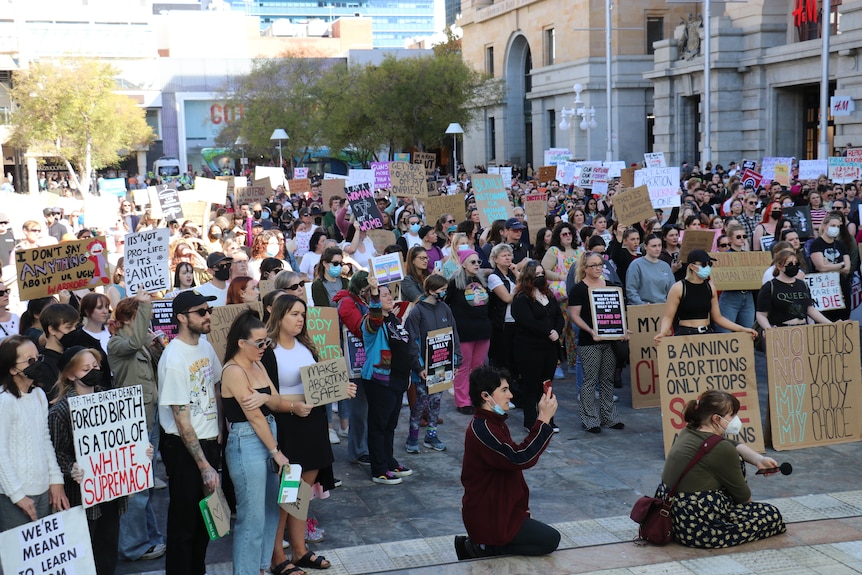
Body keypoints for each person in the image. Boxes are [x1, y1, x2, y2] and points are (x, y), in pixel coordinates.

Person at [262, 295, 354, 574]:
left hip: (312, 423)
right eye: (293, 314)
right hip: (287, 424)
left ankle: (299, 549)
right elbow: (265, 395)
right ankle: (277, 555)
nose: (300, 319)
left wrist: (341, 389)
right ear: (278, 316)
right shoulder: (268, 351)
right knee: (286, 492)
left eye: (302, 314)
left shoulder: (306, 345)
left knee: (301, 492)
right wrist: (293, 407)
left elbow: (317, 383)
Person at [455, 365, 559, 560]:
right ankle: (479, 548)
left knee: (545, 539)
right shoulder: (482, 428)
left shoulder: (493, 422)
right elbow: (520, 457)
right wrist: (543, 419)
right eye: (504, 390)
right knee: (550, 540)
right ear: (486, 396)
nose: (510, 395)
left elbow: (511, 468)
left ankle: (485, 545)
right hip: (488, 517)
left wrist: (522, 511)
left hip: (501, 511)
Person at [659, 390, 786, 548]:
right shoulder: (721, 449)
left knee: (734, 456)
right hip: (697, 527)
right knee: (770, 515)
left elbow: (728, 444)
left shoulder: (689, 431)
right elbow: (743, 496)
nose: (736, 420)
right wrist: (749, 512)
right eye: (732, 415)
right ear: (716, 419)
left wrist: (758, 460)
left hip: (672, 517)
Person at [48, 346, 131, 575]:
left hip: (112, 491)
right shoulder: (61, 411)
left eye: (96, 366)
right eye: (86, 368)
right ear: (70, 374)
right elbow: (56, 453)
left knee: (108, 550)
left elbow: (124, 438)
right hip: (83, 495)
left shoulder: (111, 399)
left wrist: (139, 451)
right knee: (85, 553)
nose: (94, 371)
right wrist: (70, 467)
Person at [221, 311, 291, 575]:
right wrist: (276, 452)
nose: (264, 348)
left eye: (266, 342)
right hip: (247, 442)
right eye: (259, 343)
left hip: (266, 436)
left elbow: (274, 400)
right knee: (252, 516)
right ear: (242, 343)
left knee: (272, 508)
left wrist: (264, 400)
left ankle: (261, 567)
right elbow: (255, 417)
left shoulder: (258, 364)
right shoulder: (233, 371)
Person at [158, 290, 222, 575]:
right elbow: (181, 420)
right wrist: (204, 466)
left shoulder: (205, 345)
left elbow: (217, 385)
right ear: (182, 318)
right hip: (185, 449)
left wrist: (222, 428)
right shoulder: (173, 358)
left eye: (208, 310)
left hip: (209, 442)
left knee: (204, 521)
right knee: (184, 524)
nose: (208, 315)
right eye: (201, 312)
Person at [109, 293, 167, 561]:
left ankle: (150, 538)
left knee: (144, 484)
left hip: (150, 415)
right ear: (127, 319)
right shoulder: (117, 343)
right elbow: (132, 343)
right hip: (133, 420)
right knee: (136, 487)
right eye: (139, 316)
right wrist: (145, 305)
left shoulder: (139, 342)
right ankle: (133, 546)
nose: (144, 321)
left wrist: (157, 345)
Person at [0, 335, 69, 531]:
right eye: (30, 360)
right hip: (14, 495)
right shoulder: (5, 401)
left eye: (38, 358)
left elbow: (45, 440)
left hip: (43, 490)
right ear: (13, 369)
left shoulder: (39, 395)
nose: (37, 363)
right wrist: (18, 495)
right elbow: (1, 452)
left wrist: (56, 480)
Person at [361, 276, 422, 484]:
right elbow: (376, 315)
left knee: (390, 424)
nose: (388, 297)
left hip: (397, 379)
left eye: (388, 294)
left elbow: (407, 345)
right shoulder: (372, 322)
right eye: (383, 295)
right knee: (379, 425)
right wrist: (375, 293)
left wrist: (418, 368)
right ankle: (378, 469)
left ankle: (389, 461)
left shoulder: (394, 320)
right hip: (379, 380)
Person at [568, 252, 627, 433]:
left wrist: (623, 329)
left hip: (611, 340)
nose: (598, 268)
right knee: (590, 380)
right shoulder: (578, 289)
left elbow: (618, 313)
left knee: (607, 379)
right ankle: (590, 419)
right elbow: (574, 315)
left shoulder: (611, 286)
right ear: (585, 268)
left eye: (600, 264)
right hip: (589, 341)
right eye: (594, 265)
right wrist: (590, 331)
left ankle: (609, 417)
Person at [404, 274, 460, 453]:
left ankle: (431, 435)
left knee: (436, 402)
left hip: (441, 364)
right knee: (420, 403)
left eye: (445, 289)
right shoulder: (417, 311)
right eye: (441, 290)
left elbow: (454, 334)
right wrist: (418, 367)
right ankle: (412, 437)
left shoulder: (445, 308)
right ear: (430, 290)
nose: (444, 293)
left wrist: (456, 360)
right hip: (423, 367)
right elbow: (411, 340)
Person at [654, 250, 758, 345]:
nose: (707, 267)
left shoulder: (710, 287)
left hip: (707, 334)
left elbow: (718, 318)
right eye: (704, 264)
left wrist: (742, 329)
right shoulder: (679, 288)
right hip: (686, 335)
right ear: (692, 267)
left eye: (709, 264)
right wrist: (663, 333)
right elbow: (668, 316)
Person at [511, 262, 564, 430]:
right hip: (529, 348)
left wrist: (556, 330)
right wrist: (548, 331)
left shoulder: (548, 294)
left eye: (542, 273)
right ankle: (531, 421)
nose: (540, 276)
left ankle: (548, 419)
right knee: (531, 386)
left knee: (546, 385)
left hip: (549, 348)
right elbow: (527, 321)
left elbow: (558, 316)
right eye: (537, 274)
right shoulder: (521, 298)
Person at [445, 250, 491, 415]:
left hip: (482, 330)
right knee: (463, 367)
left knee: (478, 367)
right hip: (463, 332)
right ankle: (463, 400)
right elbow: (445, 303)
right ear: (463, 264)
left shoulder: (482, 282)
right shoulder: (454, 284)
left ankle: (476, 398)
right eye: (473, 262)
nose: (477, 265)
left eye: (478, 262)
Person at [756, 249, 830, 328]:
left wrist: (831, 324)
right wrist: (769, 330)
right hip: (782, 329)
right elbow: (761, 314)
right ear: (779, 266)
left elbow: (810, 309)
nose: (794, 266)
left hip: (803, 328)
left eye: (796, 263)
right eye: (790, 264)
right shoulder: (770, 287)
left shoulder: (802, 285)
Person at [62, 293, 113, 388]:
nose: (105, 311)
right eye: (99, 307)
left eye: (106, 307)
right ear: (87, 311)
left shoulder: (114, 331)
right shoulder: (78, 338)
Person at [810, 212, 852, 321]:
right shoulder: (817, 244)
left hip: (841, 287)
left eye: (838, 226)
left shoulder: (840, 245)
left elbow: (847, 269)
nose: (836, 228)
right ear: (824, 226)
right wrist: (840, 265)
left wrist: (829, 264)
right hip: (823, 289)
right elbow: (821, 267)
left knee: (843, 319)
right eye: (833, 226)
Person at [625, 233, 673, 306]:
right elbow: (631, 290)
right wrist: (641, 304)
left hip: (664, 307)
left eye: (659, 245)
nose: (657, 249)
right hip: (644, 308)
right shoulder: (636, 265)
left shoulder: (665, 266)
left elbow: (672, 290)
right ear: (645, 246)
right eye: (654, 246)